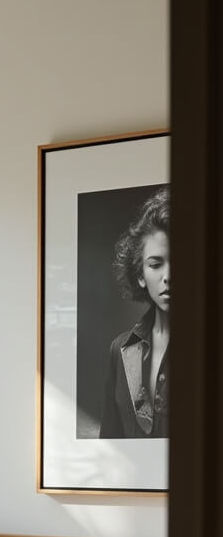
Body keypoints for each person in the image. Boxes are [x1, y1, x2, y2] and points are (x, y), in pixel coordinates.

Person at [99, 186, 169, 438]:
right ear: (140, 274)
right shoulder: (120, 348)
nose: (168, 277)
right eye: (155, 264)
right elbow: (109, 442)